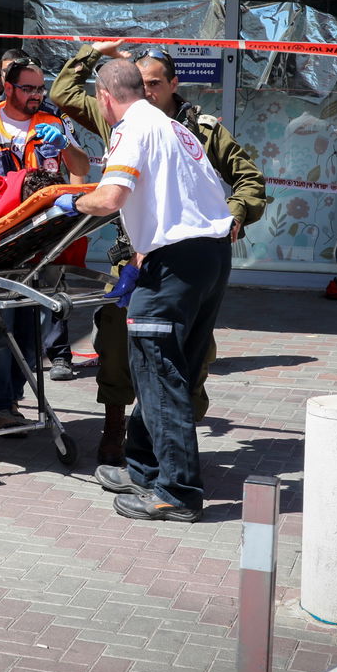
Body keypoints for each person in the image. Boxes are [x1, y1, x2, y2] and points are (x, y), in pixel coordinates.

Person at [50, 40, 266, 463]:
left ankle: (168, 447)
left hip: (180, 256)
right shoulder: (120, 115)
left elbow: (249, 180)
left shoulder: (197, 129)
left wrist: (231, 219)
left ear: (173, 85)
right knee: (115, 341)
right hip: (131, 258)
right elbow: (63, 93)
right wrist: (94, 52)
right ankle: (117, 429)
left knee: (185, 355)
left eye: (154, 83)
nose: (145, 91)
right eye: (138, 83)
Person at [0, 59, 89, 425]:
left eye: (40, 89)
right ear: (8, 89)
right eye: (29, 88)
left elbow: (82, 167)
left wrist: (67, 147)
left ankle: (9, 400)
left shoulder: (52, 123)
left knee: (29, 334)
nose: (36, 95)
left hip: (39, 243)